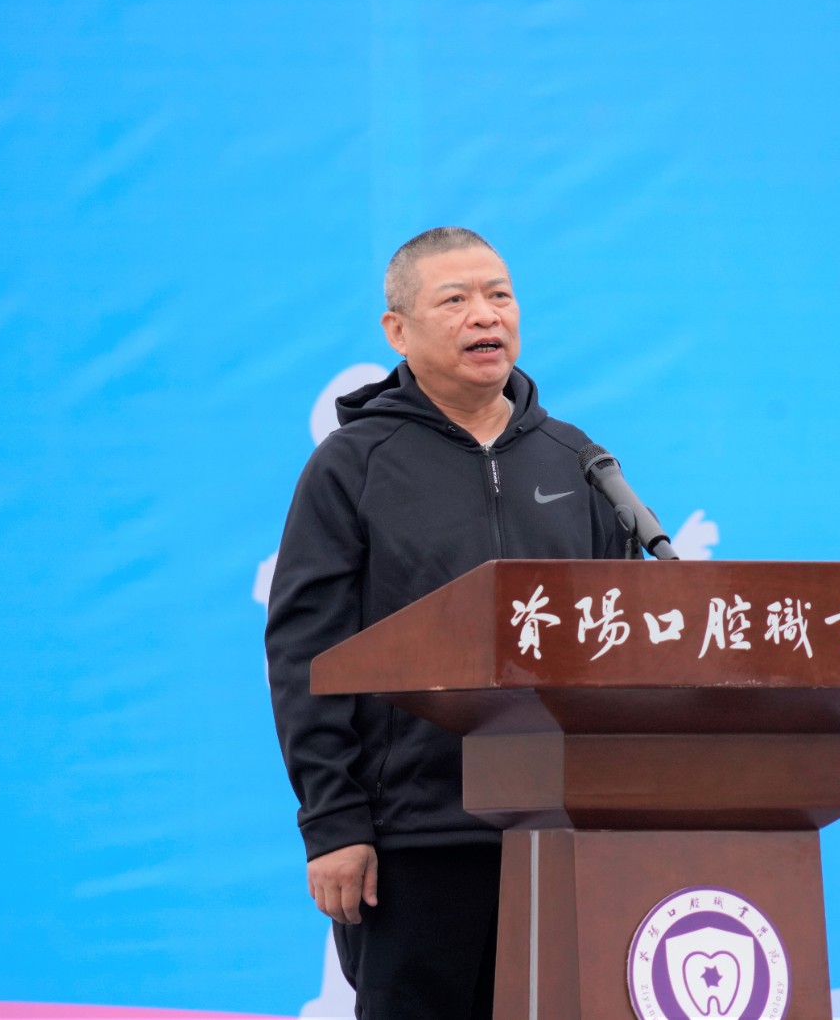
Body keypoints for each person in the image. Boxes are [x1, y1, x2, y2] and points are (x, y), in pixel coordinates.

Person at [266, 227, 635, 1019]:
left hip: (561, 835)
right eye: (456, 299)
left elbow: (626, 638)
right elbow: (306, 654)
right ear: (397, 330)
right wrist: (333, 821)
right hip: (413, 840)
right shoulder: (352, 466)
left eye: (500, 295)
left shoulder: (579, 461)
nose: (485, 315)